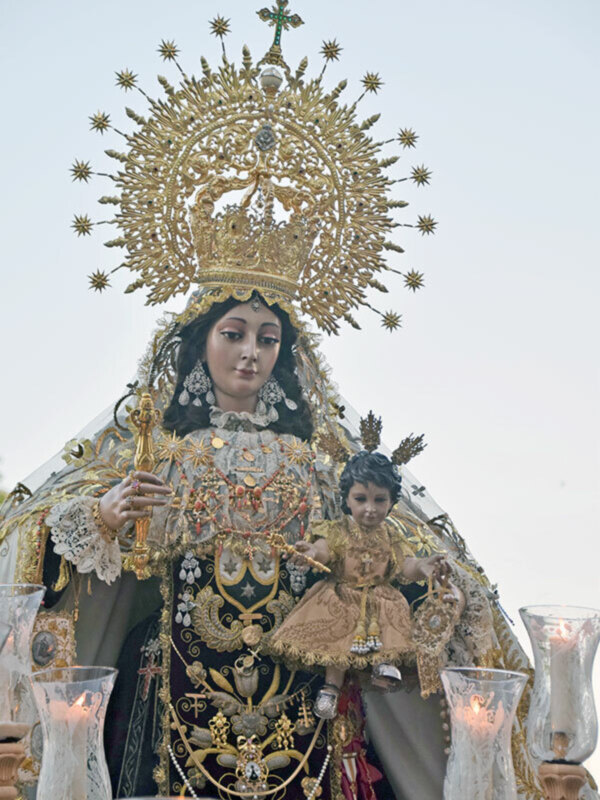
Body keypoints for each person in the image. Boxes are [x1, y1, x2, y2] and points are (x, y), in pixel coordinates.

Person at [0, 6, 564, 799]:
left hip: (312, 711)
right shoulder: (149, 446)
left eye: (268, 337)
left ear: (287, 355)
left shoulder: (324, 462)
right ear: (201, 343)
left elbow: (404, 554)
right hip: (175, 708)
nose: (251, 353)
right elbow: (33, 534)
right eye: (234, 332)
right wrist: (100, 517)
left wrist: (433, 581)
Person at [270, 450, 461, 719]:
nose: (370, 508)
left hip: (380, 597)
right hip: (342, 595)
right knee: (336, 642)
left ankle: (384, 665)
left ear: (392, 502)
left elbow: (403, 566)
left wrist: (422, 566)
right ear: (347, 500)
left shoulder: (391, 536)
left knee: (391, 621)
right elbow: (327, 549)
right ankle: (330, 687)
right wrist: (312, 553)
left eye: (379, 500)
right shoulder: (339, 530)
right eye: (361, 499)